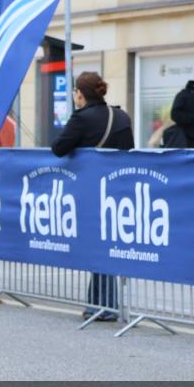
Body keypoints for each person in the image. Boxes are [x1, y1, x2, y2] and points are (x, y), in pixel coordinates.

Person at [51, 72, 133, 322]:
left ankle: (105, 306)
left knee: (98, 247)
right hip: (118, 189)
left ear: (79, 94)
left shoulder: (82, 118)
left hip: (91, 190)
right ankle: (99, 304)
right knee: (108, 245)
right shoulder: (121, 116)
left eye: (75, 92)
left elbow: (58, 148)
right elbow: (128, 150)